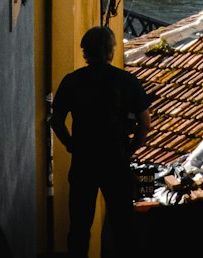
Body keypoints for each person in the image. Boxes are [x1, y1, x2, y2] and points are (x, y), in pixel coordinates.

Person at [50, 25, 151, 256]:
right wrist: (130, 149)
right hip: (116, 160)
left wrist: (71, 144)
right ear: (111, 51)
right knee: (122, 226)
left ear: (85, 52)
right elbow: (145, 124)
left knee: (79, 227)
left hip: (84, 160)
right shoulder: (127, 81)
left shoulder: (72, 81)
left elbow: (56, 120)